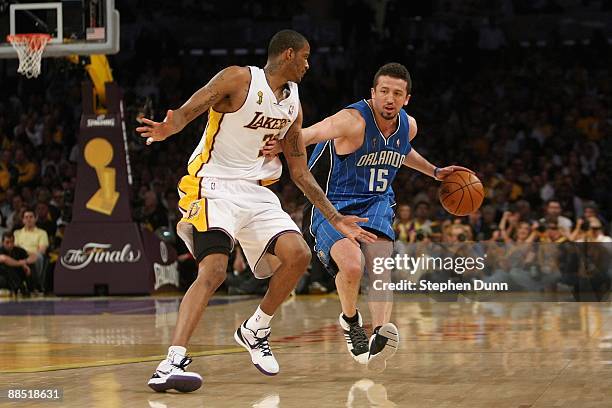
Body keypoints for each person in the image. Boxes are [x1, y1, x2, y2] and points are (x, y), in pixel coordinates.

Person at [136, 29, 376, 393]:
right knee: (214, 271)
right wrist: (172, 126)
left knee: (298, 255)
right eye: (306, 57)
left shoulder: (294, 104)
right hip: (213, 185)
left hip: (256, 191)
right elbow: (193, 107)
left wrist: (335, 217)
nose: (310, 65)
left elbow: (299, 171)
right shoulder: (240, 78)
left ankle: (256, 328)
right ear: (289, 54)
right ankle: (172, 360)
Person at [276, 63, 471, 371]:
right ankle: (351, 321)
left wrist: (434, 171)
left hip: (376, 202)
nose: (389, 99)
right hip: (331, 204)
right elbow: (312, 133)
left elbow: (401, 151)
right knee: (353, 266)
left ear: (407, 98)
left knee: (380, 264)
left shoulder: (409, 126)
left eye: (397, 93)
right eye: (383, 92)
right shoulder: (352, 120)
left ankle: (380, 333)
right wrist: (280, 142)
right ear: (373, 93)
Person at [13, 209, 48, 292]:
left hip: (34, 256)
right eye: (26, 217)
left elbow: (42, 250)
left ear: (36, 218)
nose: (28, 219)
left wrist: (28, 255)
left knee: (39, 257)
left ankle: (36, 284)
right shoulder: (16, 233)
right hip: (20, 256)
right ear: (23, 220)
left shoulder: (42, 233)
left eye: (31, 217)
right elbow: (15, 249)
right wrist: (25, 256)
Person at [0, 231, 31, 295]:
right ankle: (19, 287)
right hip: (2, 277)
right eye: (7, 242)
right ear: (2, 243)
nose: (10, 245)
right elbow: (4, 259)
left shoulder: (19, 250)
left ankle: (34, 288)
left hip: (16, 275)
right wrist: (21, 263)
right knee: (5, 267)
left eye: (12, 242)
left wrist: (25, 264)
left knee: (29, 267)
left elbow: (32, 257)